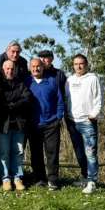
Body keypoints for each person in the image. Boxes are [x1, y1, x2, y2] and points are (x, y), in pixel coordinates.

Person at [65, 53, 103, 194]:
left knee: (90, 153)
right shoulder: (69, 80)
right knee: (79, 153)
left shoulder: (92, 78)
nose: (78, 66)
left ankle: (92, 181)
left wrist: (94, 115)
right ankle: (84, 178)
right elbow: (66, 98)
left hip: (87, 121)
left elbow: (98, 98)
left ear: (86, 64)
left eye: (81, 63)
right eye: (76, 64)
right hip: (72, 121)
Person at [26, 56, 65, 190]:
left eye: (38, 66)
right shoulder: (27, 82)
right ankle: (39, 179)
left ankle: (53, 180)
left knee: (52, 153)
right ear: (30, 68)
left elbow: (60, 100)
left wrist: (59, 117)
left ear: (43, 67)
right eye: (33, 67)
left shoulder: (52, 81)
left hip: (51, 124)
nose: (36, 68)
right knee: (36, 154)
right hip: (34, 124)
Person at [0, 59, 32, 191]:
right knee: (4, 152)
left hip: (18, 124)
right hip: (3, 124)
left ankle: (17, 178)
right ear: (3, 69)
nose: (10, 71)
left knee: (18, 152)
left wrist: (13, 105)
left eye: (12, 68)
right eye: (7, 68)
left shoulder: (20, 83)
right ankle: (5, 179)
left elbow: (27, 98)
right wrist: (13, 104)